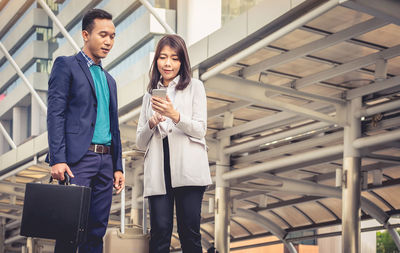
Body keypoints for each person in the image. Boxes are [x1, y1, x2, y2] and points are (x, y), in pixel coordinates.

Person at [46, 8, 125, 253]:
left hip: (105, 162)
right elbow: (55, 114)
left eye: (112, 36)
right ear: (85, 34)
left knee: (97, 230)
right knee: (70, 229)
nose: (108, 41)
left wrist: (118, 165)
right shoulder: (66, 65)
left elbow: (114, 125)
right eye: (103, 35)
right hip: (77, 161)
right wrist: (58, 159)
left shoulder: (110, 80)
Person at [136, 34, 212, 253]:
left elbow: (200, 129)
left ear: (182, 62)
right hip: (159, 171)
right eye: (162, 57)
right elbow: (140, 142)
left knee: (190, 232)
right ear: (156, 61)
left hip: (188, 169)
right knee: (159, 232)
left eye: (174, 58)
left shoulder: (195, 87)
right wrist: (151, 122)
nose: (168, 63)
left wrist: (174, 115)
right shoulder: (148, 96)